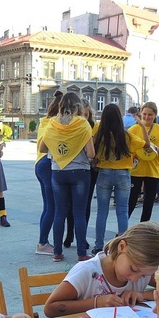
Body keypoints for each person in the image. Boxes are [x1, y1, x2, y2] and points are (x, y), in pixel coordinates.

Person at [39, 92, 95, 262]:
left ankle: (57, 252)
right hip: (80, 172)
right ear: (78, 106)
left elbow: (42, 148)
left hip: (57, 171)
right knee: (78, 213)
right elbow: (91, 153)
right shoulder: (83, 124)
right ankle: (81, 253)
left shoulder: (52, 124)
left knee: (59, 212)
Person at [91, 104, 150, 254]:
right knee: (122, 211)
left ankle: (98, 245)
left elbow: (91, 147)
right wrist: (142, 126)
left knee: (102, 211)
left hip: (104, 173)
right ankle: (121, 247)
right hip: (123, 174)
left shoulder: (99, 132)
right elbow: (147, 145)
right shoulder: (127, 135)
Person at [128, 102, 159, 222]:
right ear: (140, 114)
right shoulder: (134, 129)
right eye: (145, 114)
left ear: (155, 115)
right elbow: (126, 149)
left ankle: (143, 230)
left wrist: (154, 148)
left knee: (148, 205)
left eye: (150, 115)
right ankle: (122, 229)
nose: (147, 117)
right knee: (130, 202)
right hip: (135, 172)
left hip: (152, 172)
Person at [64, 100, 97, 250]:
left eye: (86, 114)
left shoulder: (93, 127)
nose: (84, 117)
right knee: (70, 205)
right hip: (75, 168)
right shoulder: (70, 127)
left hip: (90, 169)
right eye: (81, 114)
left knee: (85, 205)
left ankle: (81, 237)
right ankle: (70, 233)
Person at [34, 91, 64, 256]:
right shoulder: (54, 123)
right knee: (52, 206)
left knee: (48, 206)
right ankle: (42, 243)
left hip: (40, 163)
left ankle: (43, 241)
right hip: (47, 164)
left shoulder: (45, 121)